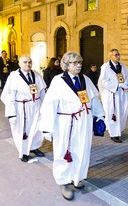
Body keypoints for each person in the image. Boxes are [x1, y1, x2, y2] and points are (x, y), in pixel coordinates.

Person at [39, 52, 105, 201]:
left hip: (84, 122)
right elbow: (50, 105)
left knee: (82, 149)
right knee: (64, 150)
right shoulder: (58, 81)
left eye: (80, 62)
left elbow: (93, 99)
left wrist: (99, 116)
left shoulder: (85, 79)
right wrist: (47, 127)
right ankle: (63, 181)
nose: (79, 65)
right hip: (65, 123)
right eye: (75, 63)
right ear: (66, 65)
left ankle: (78, 177)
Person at [0, 55, 46, 162]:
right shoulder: (14, 76)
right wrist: (11, 114)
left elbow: (42, 91)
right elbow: (9, 96)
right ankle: (23, 152)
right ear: (20, 64)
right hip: (22, 108)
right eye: (25, 62)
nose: (28, 64)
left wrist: (44, 108)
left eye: (29, 62)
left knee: (36, 129)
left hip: (36, 105)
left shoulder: (36, 74)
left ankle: (34, 147)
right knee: (22, 131)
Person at [98, 48, 128, 143]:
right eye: (116, 55)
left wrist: (126, 84)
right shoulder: (105, 67)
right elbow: (103, 81)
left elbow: (127, 77)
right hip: (111, 94)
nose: (118, 56)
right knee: (112, 113)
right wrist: (116, 85)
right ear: (110, 56)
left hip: (121, 94)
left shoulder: (123, 66)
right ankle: (114, 134)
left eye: (118, 54)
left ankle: (118, 130)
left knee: (122, 112)